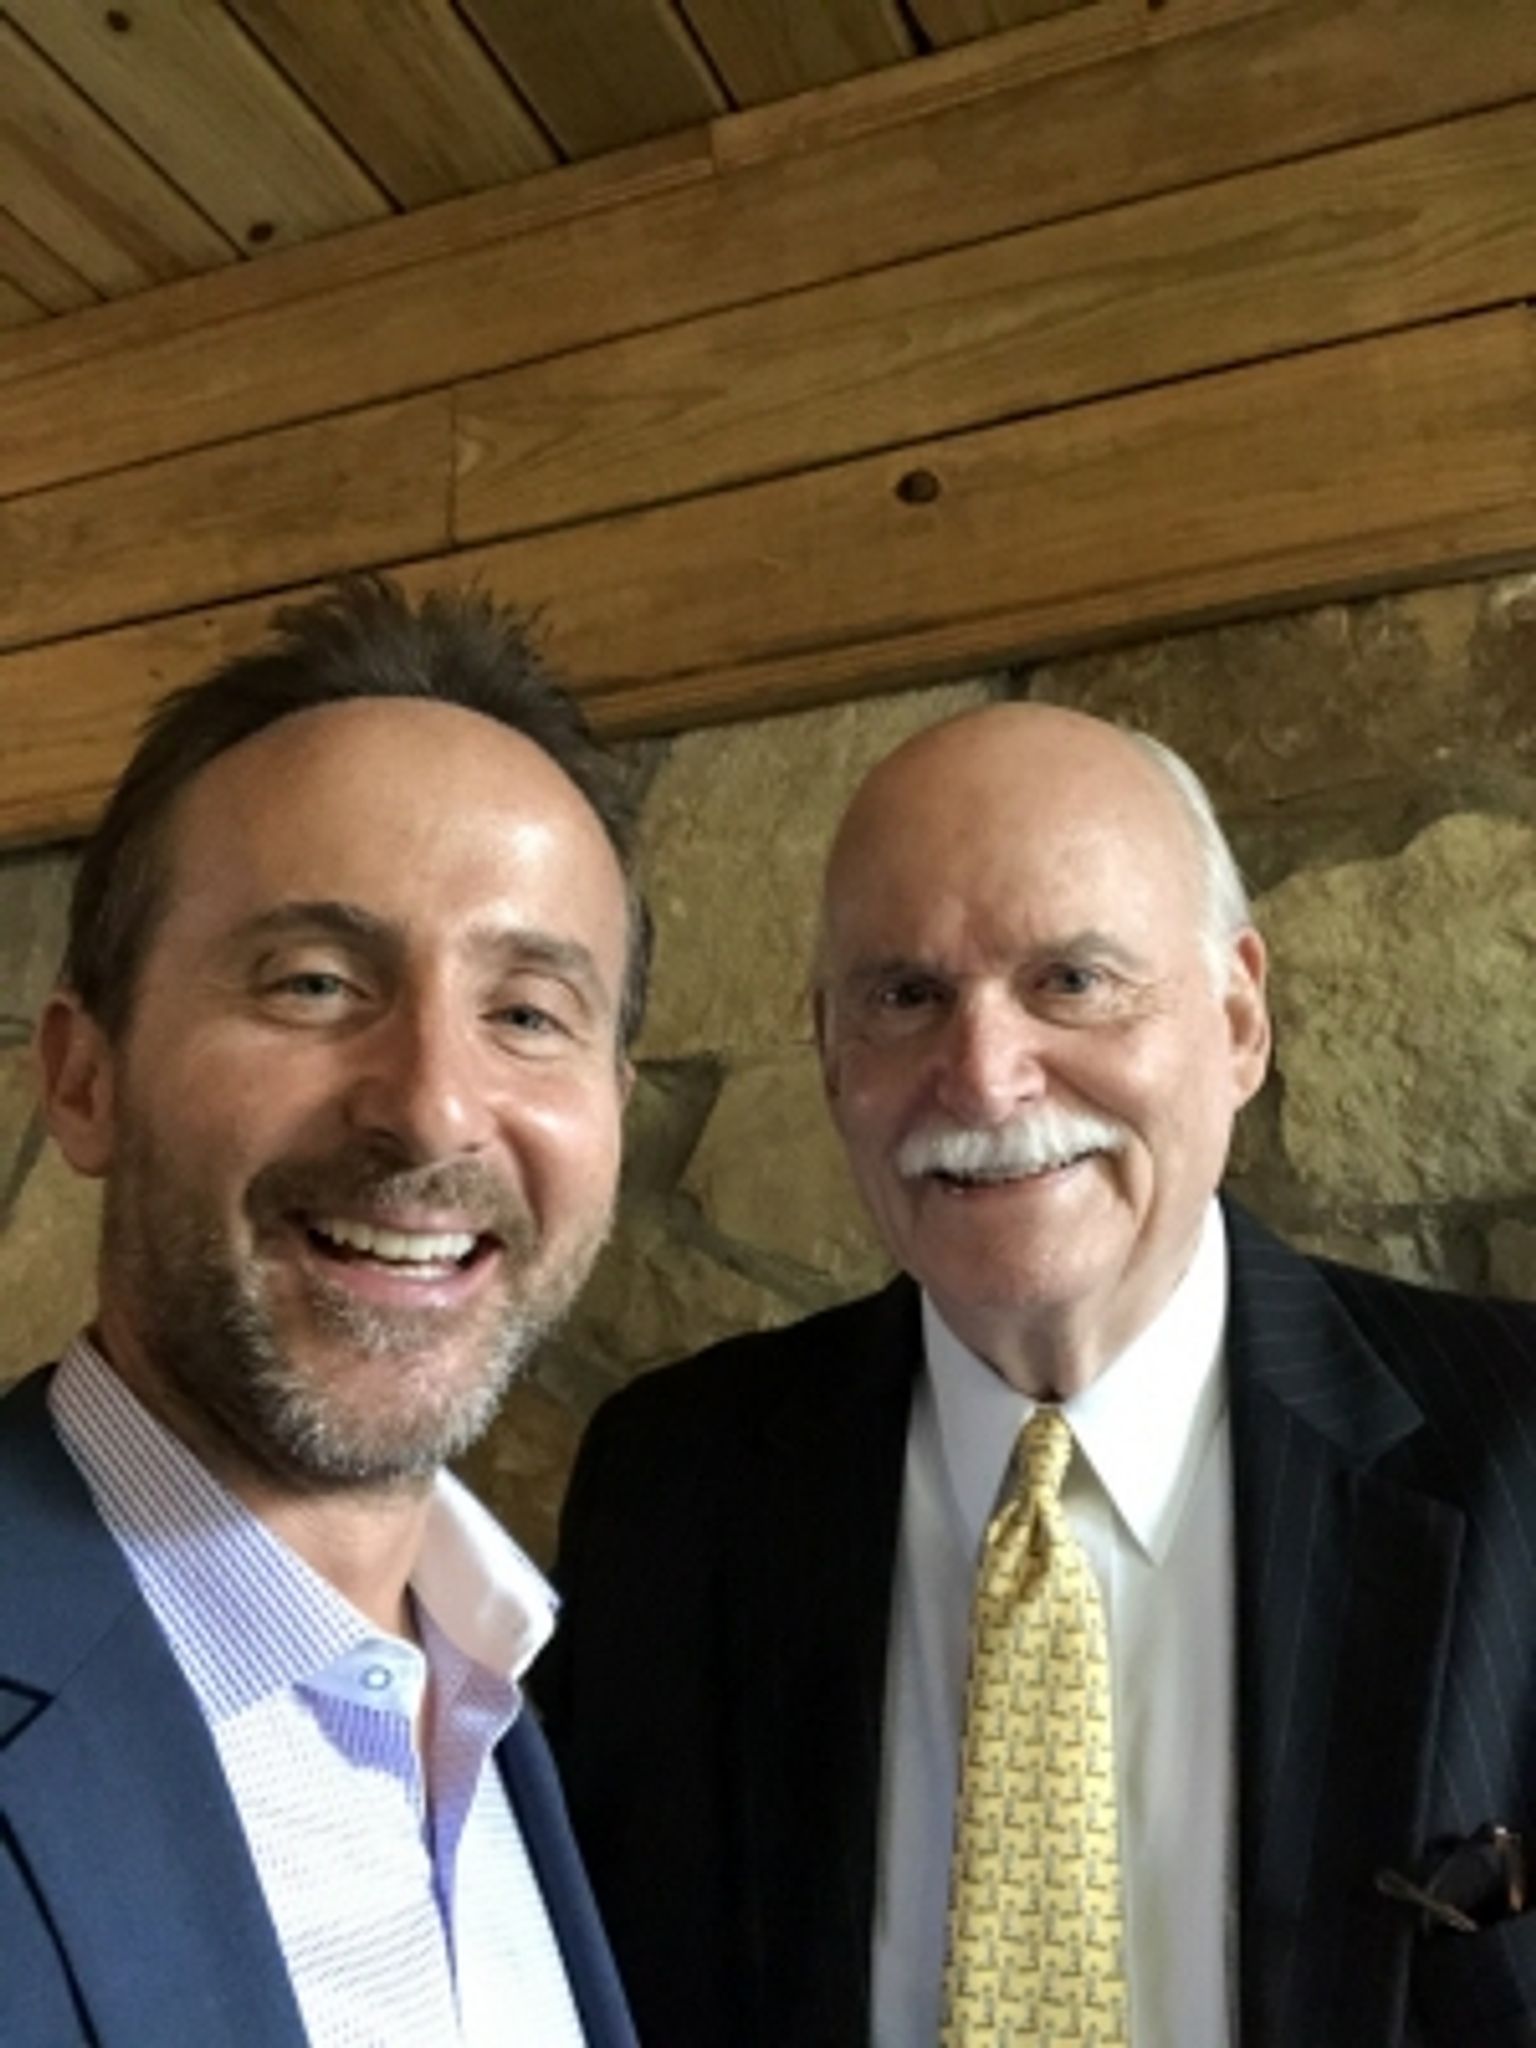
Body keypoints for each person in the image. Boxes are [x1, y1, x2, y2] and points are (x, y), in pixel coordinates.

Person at [540, 701, 1536, 2048]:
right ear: (829, 1054)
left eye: (1072, 980)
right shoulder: (672, 1486)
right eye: (906, 997)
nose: (986, 1078)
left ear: (1239, 1020)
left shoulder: (1516, 1443)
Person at [0, 579, 643, 2047]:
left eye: (527, 1013)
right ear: (85, 1079)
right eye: (314, 982)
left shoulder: (507, 1686)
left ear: (612, 1109)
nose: (432, 1105)